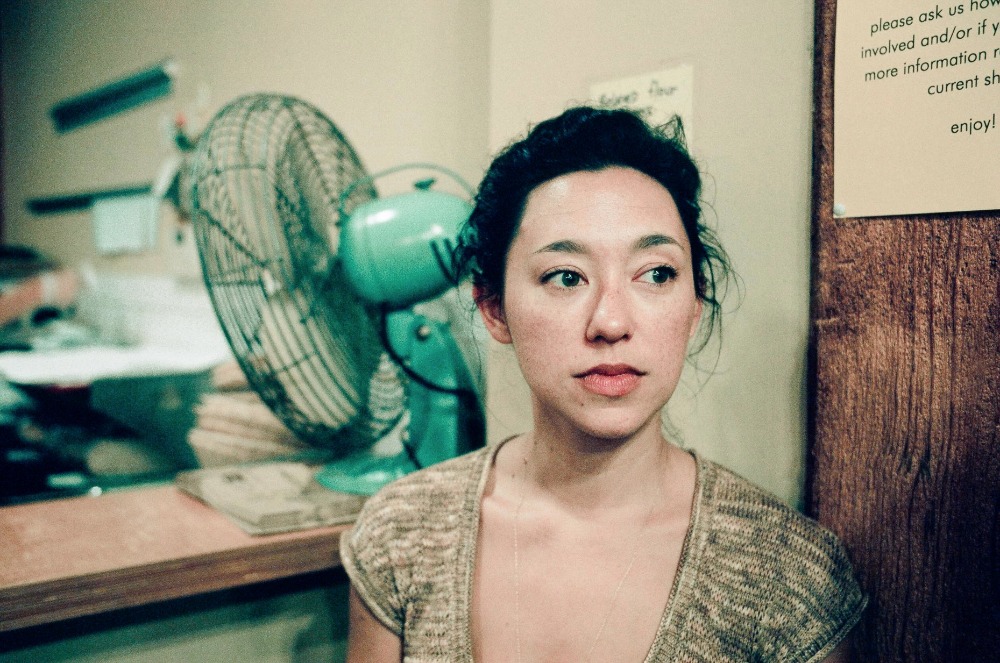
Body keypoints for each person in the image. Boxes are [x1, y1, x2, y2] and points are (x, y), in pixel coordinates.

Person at [341, 106, 866, 662]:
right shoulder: (402, 534)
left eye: (656, 274)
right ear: (494, 308)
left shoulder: (787, 577)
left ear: (694, 306)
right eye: (566, 277)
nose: (611, 322)